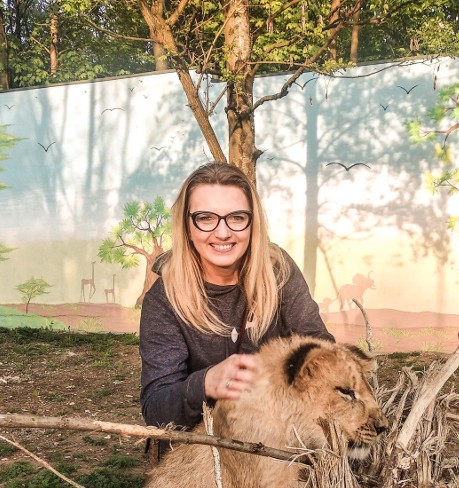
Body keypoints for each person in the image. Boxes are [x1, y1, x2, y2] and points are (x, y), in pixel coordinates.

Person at [139, 162, 334, 431]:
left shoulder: (278, 271)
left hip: (281, 434)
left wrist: (277, 375)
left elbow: (321, 350)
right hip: (202, 452)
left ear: (252, 223)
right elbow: (156, 409)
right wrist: (206, 383)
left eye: (237, 217)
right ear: (187, 226)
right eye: (206, 218)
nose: (223, 232)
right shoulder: (163, 300)